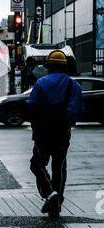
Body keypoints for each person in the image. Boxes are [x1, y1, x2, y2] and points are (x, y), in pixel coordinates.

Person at [28, 50, 83, 217]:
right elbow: (76, 111)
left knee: (37, 164)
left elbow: (32, 106)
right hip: (62, 131)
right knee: (59, 167)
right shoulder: (74, 86)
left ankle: (49, 192)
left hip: (42, 131)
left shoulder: (41, 83)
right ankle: (56, 205)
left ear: (48, 66)